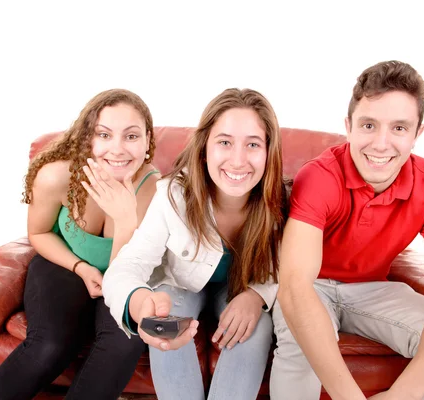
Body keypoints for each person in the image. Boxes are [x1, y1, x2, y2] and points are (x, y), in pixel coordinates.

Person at [271, 60, 424, 400]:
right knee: (298, 344)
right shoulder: (319, 176)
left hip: (373, 290)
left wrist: (402, 396)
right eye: (369, 125)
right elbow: (295, 285)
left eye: (398, 128)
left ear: (417, 134)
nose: (381, 144)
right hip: (313, 285)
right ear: (349, 126)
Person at [102, 88, 287, 400]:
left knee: (255, 332)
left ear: (269, 152)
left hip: (241, 289)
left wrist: (257, 295)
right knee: (166, 320)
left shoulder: (281, 202)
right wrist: (138, 304)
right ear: (205, 149)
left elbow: (290, 267)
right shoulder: (173, 195)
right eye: (225, 142)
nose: (238, 160)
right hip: (179, 286)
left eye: (253, 144)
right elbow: (126, 266)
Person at [0, 89, 160, 400]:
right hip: (63, 265)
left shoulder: (155, 189)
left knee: (123, 341)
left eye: (131, 136)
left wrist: (126, 220)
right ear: (89, 137)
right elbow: (39, 233)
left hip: (125, 276)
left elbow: (126, 272)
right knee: (51, 343)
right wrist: (81, 267)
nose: (117, 149)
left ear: (147, 143)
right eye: (104, 134)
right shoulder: (56, 176)